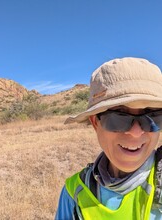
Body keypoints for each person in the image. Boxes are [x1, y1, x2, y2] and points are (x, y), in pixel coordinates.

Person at [55, 57, 162, 220]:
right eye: (118, 117)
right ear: (95, 123)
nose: (135, 132)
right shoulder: (73, 192)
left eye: (153, 117)